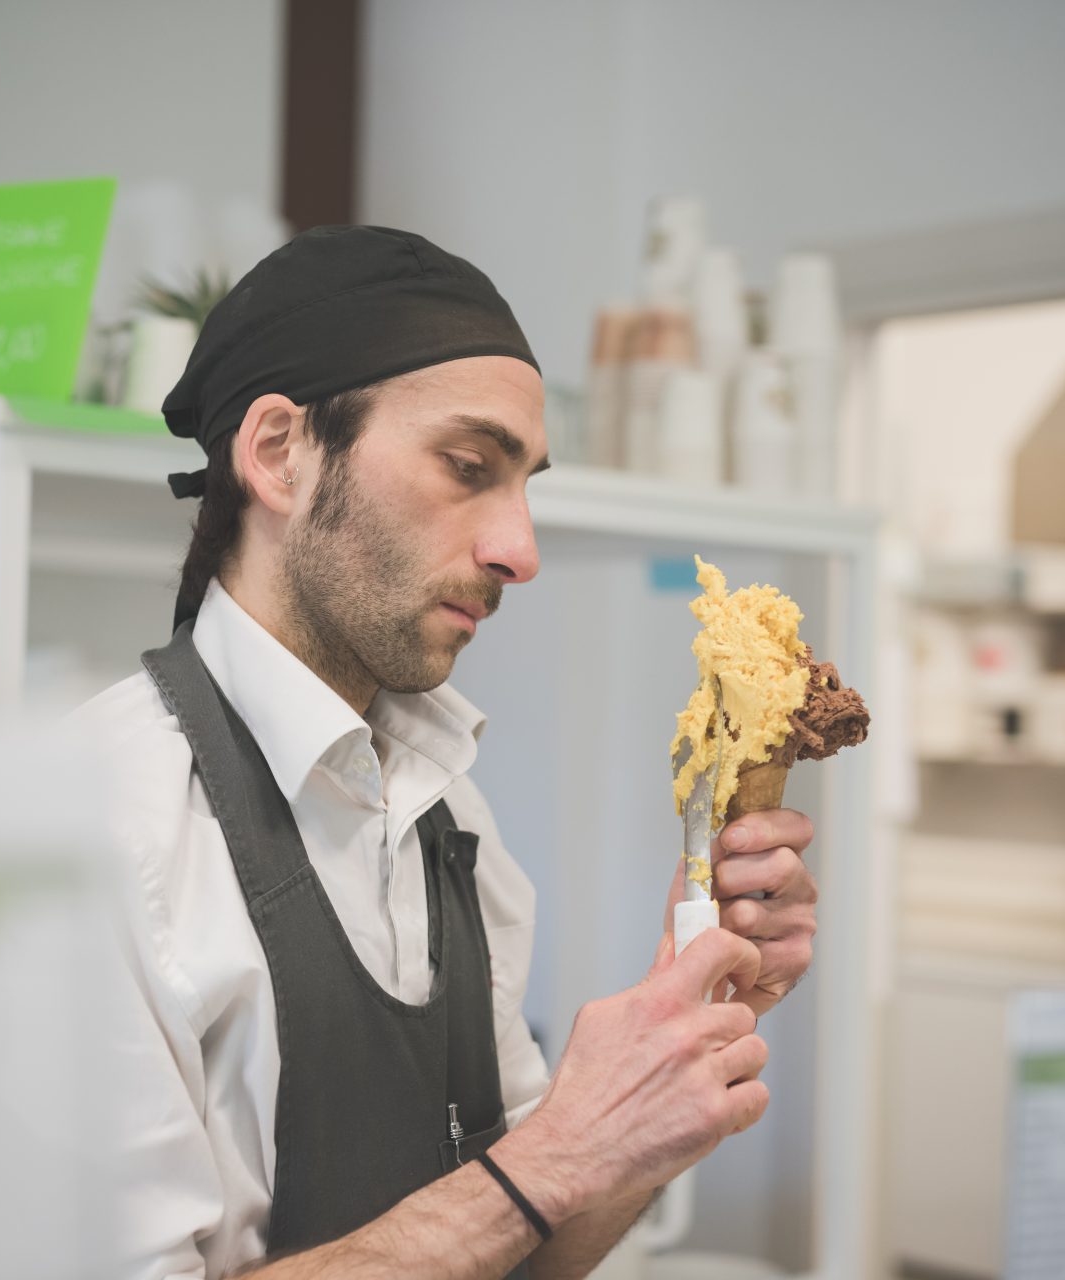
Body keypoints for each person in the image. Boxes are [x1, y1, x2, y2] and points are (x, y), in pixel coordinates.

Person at [79, 226, 820, 1280]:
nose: (519, 549)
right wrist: (556, 1155)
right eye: (468, 467)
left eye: (524, 487)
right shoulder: (103, 830)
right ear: (279, 451)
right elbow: (531, 1184)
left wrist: (674, 1050)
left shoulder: (452, 823)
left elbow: (527, 1251)